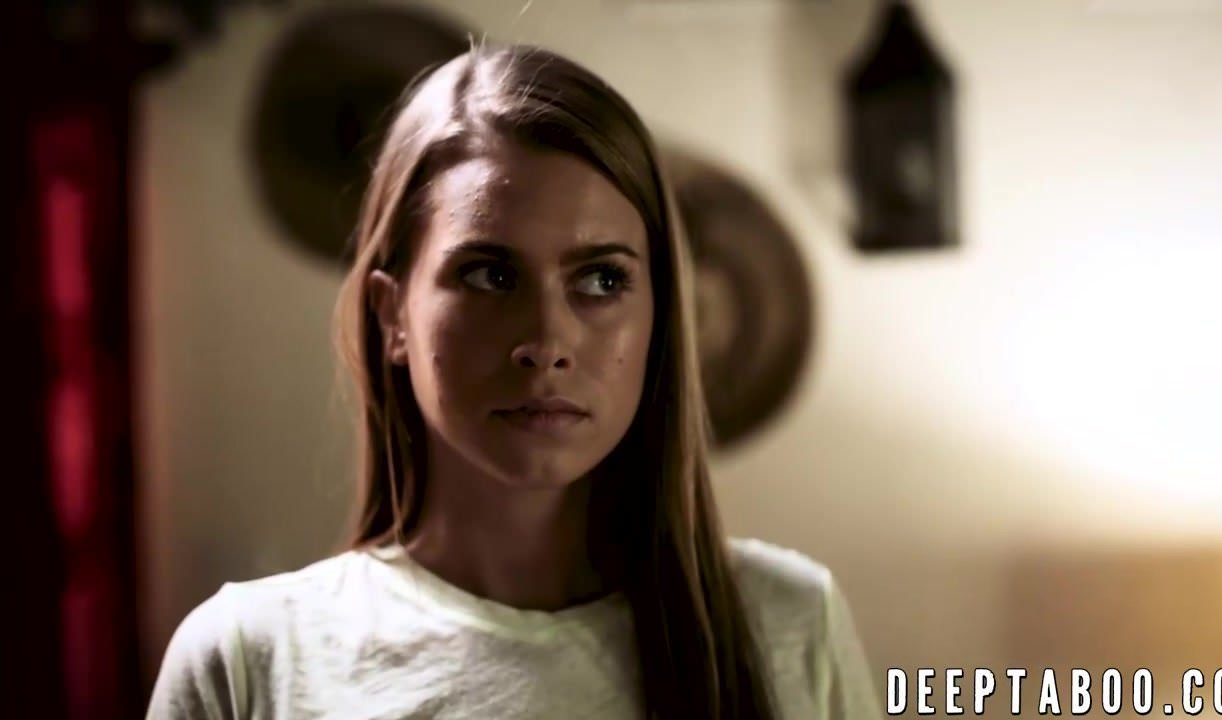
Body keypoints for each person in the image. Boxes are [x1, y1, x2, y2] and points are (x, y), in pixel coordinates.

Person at [147, 43, 881, 720]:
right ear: (393, 314)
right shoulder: (250, 660)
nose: (547, 343)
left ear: (659, 313)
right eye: (490, 276)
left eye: (601, 279)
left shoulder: (789, 625)